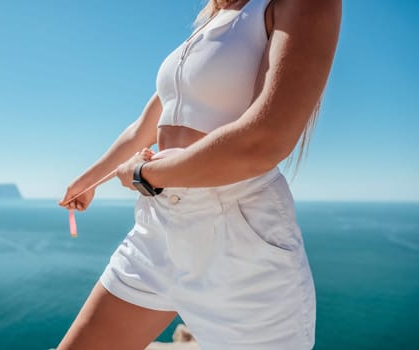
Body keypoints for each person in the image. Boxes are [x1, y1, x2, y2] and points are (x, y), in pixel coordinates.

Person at [57, 0, 341, 348]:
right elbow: (143, 128)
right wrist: (88, 181)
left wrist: (147, 174)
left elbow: (265, 141)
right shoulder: (209, 27)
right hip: (158, 226)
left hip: (239, 238)